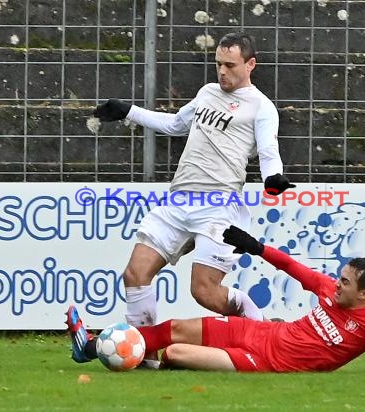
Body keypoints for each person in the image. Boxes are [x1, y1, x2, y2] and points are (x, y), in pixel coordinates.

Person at [78, 32, 294, 365]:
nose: (222, 72)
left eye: (230, 65)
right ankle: (144, 357)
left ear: (250, 64)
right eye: (218, 64)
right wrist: (128, 110)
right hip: (178, 200)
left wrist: (272, 179)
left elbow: (268, 150)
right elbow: (177, 124)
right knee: (135, 274)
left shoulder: (261, 107)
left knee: (204, 292)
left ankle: (260, 326)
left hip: (219, 206)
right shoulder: (207, 93)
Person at [66, 226, 365, 374]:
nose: (337, 284)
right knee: (172, 328)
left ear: (364, 294)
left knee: (174, 353)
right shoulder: (329, 290)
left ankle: (145, 363)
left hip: (260, 360)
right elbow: (292, 266)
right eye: (340, 278)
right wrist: (255, 247)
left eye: (346, 282)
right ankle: (93, 347)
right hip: (256, 333)